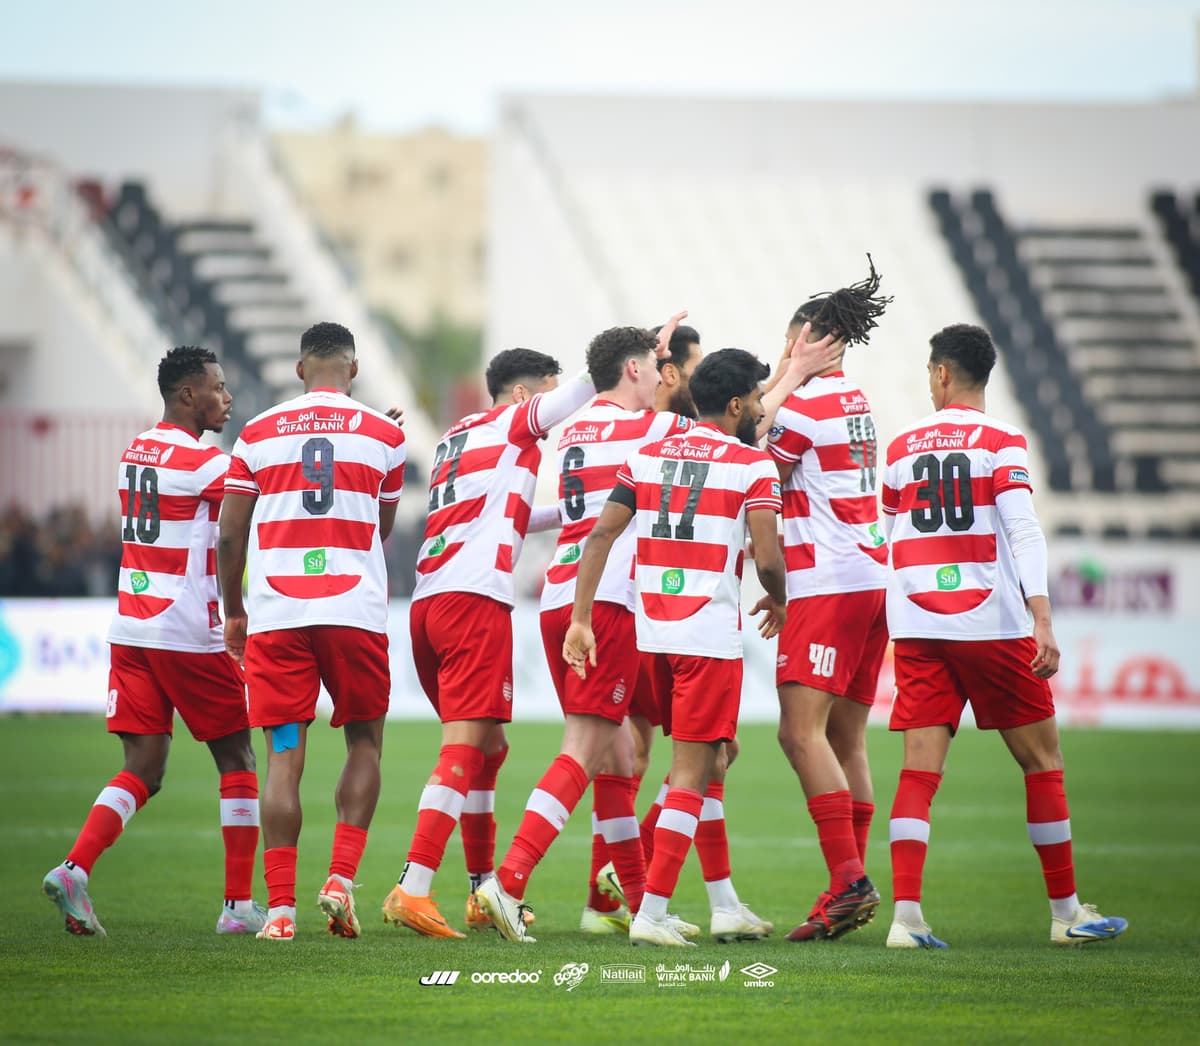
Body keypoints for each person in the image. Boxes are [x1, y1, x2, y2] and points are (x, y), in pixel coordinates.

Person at [585, 322, 840, 943]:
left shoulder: (647, 456)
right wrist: (777, 601)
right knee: (691, 774)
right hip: (705, 638)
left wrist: (577, 617)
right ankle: (648, 914)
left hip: (651, 635)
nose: (760, 409)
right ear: (734, 406)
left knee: (716, 760)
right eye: (756, 400)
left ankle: (724, 905)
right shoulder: (752, 465)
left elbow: (601, 535)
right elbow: (770, 557)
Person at [881, 323, 1127, 949]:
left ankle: (906, 920)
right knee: (1042, 762)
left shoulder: (903, 444)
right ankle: (1066, 913)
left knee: (917, 773)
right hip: (989, 622)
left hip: (917, 624)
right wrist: (1041, 617)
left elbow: (889, 531)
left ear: (941, 373)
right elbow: (1023, 531)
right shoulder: (1002, 442)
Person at [475, 321, 695, 941]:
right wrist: (787, 374)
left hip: (557, 596)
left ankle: (638, 902)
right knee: (585, 746)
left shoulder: (573, 431)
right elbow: (731, 437)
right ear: (632, 370)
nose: (662, 380)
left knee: (619, 755)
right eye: (656, 368)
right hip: (606, 600)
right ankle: (509, 882)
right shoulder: (652, 428)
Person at [381, 342, 603, 939]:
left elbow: (510, 515)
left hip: (430, 601)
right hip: (473, 601)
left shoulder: (462, 434)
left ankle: (481, 889)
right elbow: (583, 390)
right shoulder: (515, 421)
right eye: (547, 394)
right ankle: (414, 885)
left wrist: (584, 512)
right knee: (462, 747)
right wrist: (626, 354)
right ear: (526, 394)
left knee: (488, 747)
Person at [43, 346, 264, 938]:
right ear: (188, 394)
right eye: (218, 387)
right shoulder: (204, 462)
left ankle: (74, 870)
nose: (227, 398)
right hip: (187, 629)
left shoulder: (134, 450)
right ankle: (240, 909)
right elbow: (257, 511)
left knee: (145, 765)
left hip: (131, 626)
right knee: (238, 756)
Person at [218, 321, 406, 942]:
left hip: (277, 614)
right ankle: (340, 881)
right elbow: (381, 529)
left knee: (282, 758)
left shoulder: (256, 432)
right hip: (352, 610)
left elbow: (229, 534)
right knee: (365, 743)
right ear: (352, 370)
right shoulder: (386, 435)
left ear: (300, 369)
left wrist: (234, 610)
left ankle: (278, 911)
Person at [767, 258, 894, 942]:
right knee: (846, 737)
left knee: (798, 731)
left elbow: (745, 448)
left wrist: (787, 376)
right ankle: (846, 882)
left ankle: (848, 880)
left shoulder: (805, 405)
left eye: (788, 342)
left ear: (808, 342)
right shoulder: (853, 399)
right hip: (870, 578)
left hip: (830, 582)